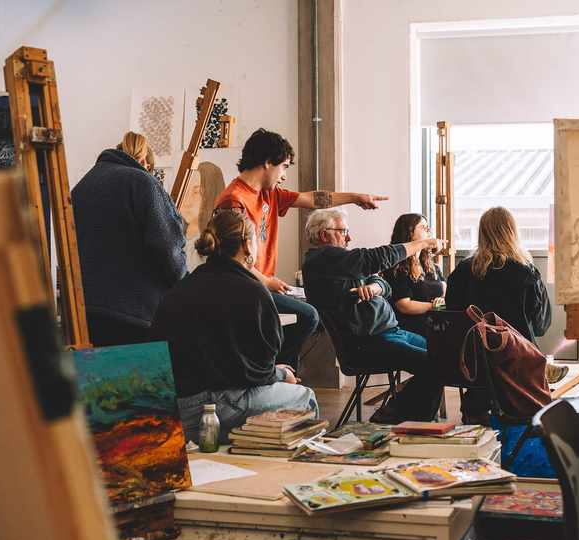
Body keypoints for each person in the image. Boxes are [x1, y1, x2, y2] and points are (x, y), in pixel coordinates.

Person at [214, 128, 389, 370]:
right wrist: (265, 281)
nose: (284, 175)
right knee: (308, 316)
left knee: (311, 315)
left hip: (260, 285)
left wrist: (357, 197)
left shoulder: (270, 193)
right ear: (267, 162)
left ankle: (282, 373)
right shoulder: (234, 200)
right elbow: (231, 259)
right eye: (284, 166)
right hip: (243, 287)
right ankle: (274, 370)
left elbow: (315, 199)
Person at [151, 208, 317, 443]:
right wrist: (281, 374)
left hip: (175, 410)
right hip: (216, 409)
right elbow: (255, 372)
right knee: (304, 396)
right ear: (247, 244)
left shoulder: (181, 288)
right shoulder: (253, 292)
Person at [302, 207, 445, 424]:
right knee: (437, 364)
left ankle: (404, 417)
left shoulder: (342, 262)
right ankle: (400, 419)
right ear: (323, 234)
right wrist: (423, 243)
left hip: (391, 332)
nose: (349, 237)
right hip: (368, 343)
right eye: (342, 231)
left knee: (444, 358)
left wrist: (376, 287)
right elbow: (375, 258)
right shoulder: (323, 259)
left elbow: (384, 284)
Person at [72, 131, 186, 346]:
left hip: (86, 312)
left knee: (103, 378)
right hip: (135, 315)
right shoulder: (144, 183)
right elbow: (168, 251)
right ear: (145, 163)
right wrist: (185, 284)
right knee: (142, 380)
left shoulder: (82, 186)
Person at [445, 207, 553, 422]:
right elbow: (541, 325)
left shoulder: (463, 271)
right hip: (516, 364)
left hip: (473, 364)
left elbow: (452, 315)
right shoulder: (526, 271)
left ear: (481, 233)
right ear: (513, 232)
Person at [381, 214, 446, 336]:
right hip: (412, 329)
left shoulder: (429, 264)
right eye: (423, 227)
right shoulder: (397, 266)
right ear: (409, 232)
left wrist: (442, 300)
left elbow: (443, 289)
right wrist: (433, 306)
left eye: (428, 227)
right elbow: (404, 305)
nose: (428, 231)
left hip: (436, 325)